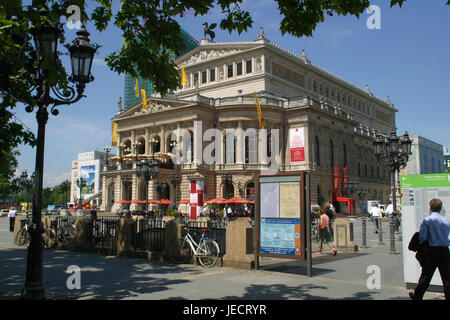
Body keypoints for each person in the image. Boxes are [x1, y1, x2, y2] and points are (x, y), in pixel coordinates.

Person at [409, 198, 450, 300]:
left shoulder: (427, 220)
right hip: (444, 251)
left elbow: (422, 237)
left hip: (432, 251)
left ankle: (417, 296)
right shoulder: (446, 221)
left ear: (430, 207)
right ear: (440, 208)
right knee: (447, 277)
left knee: (426, 276)